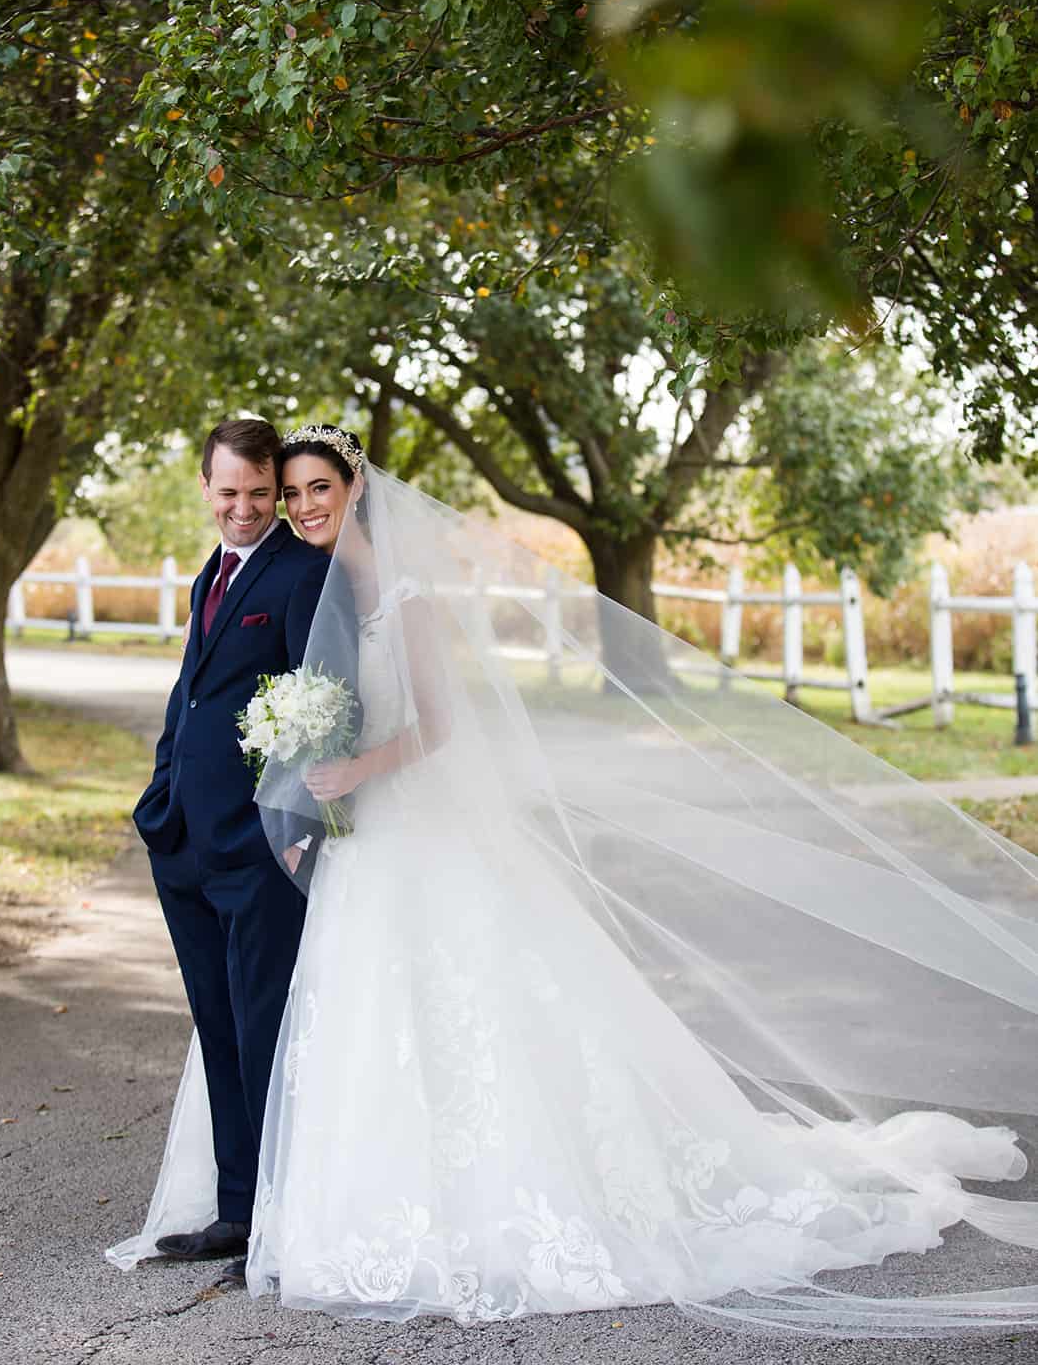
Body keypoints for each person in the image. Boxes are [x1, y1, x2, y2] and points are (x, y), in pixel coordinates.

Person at [115, 426, 1038, 1339]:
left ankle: (433, 1201)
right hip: (353, 846)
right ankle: (313, 1202)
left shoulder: (395, 593)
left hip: (411, 830)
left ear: (353, 490)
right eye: (294, 491)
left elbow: (435, 725)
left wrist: (351, 774)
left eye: (314, 490)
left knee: (454, 1012)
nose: (301, 506)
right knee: (345, 1021)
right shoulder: (304, 581)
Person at [116, 417, 356, 1278]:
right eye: (231, 493)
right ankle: (232, 1210)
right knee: (216, 1030)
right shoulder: (207, 577)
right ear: (207, 489)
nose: (247, 509)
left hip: (257, 852)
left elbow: (329, 709)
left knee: (262, 1033)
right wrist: (159, 797)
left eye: (262, 493)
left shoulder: (308, 574)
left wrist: (290, 833)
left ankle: (275, 1222)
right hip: (181, 839)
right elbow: (191, 691)